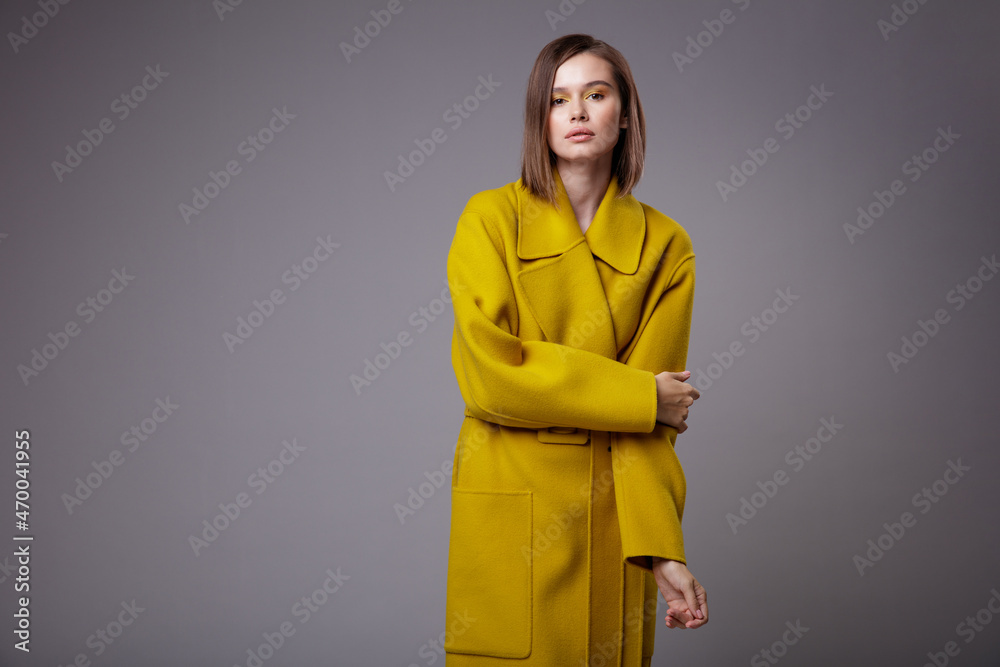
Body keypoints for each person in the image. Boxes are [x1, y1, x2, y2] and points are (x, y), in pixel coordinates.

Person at [443, 34, 707, 666]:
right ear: (541, 119)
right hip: (512, 500)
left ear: (625, 114)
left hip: (613, 516)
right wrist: (640, 397)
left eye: (596, 94)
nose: (579, 112)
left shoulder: (667, 247)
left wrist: (662, 550)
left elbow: (651, 434)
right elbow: (490, 377)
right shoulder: (489, 220)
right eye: (558, 99)